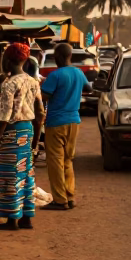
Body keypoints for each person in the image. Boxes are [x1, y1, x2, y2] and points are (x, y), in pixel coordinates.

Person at [0, 43, 44, 231]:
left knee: (9, 174)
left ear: (7, 60)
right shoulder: (33, 81)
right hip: (27, 130)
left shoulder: (9, 84)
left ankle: (12, 219)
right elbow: (40, 113)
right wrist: (36, 141)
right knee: (26, 173)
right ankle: (26, 217)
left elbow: (4, 116)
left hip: (12, 132)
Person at [39, 42, 88, 211]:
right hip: (74, 121)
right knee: (67, 160)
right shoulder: (78, 72)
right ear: (70, 56)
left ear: (57, 57)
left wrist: (39, 86)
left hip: (56, 122)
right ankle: (70, 196)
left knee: (55, 162)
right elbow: (88, 88)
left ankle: (60, 200)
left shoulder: (55, 75)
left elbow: (44, 96)